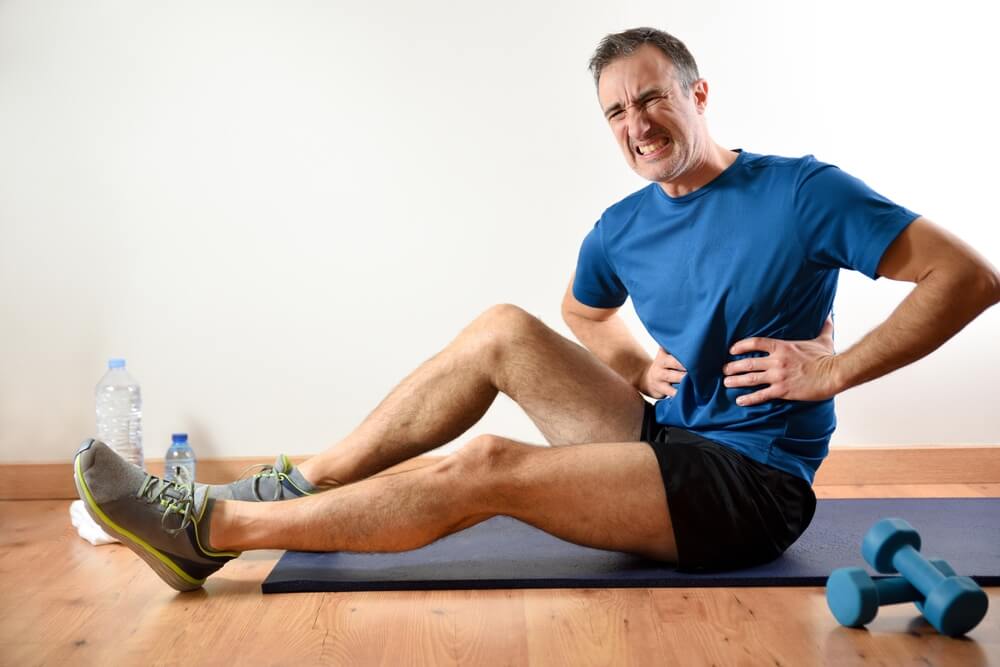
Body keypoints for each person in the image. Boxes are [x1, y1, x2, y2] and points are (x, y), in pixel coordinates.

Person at [73, 27, 1000, 592]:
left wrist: (833, 368)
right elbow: (581, 311)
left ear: (698, 93)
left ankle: (210, 533)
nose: (636, 125)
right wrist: (635, 364)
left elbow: (966, 276)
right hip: (665, 443)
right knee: (504, 329)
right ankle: (294, 482)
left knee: (486, 462)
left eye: (652, 98)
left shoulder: (801, 193)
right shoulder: (623, 226)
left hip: (748, 489)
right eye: (615, 112)